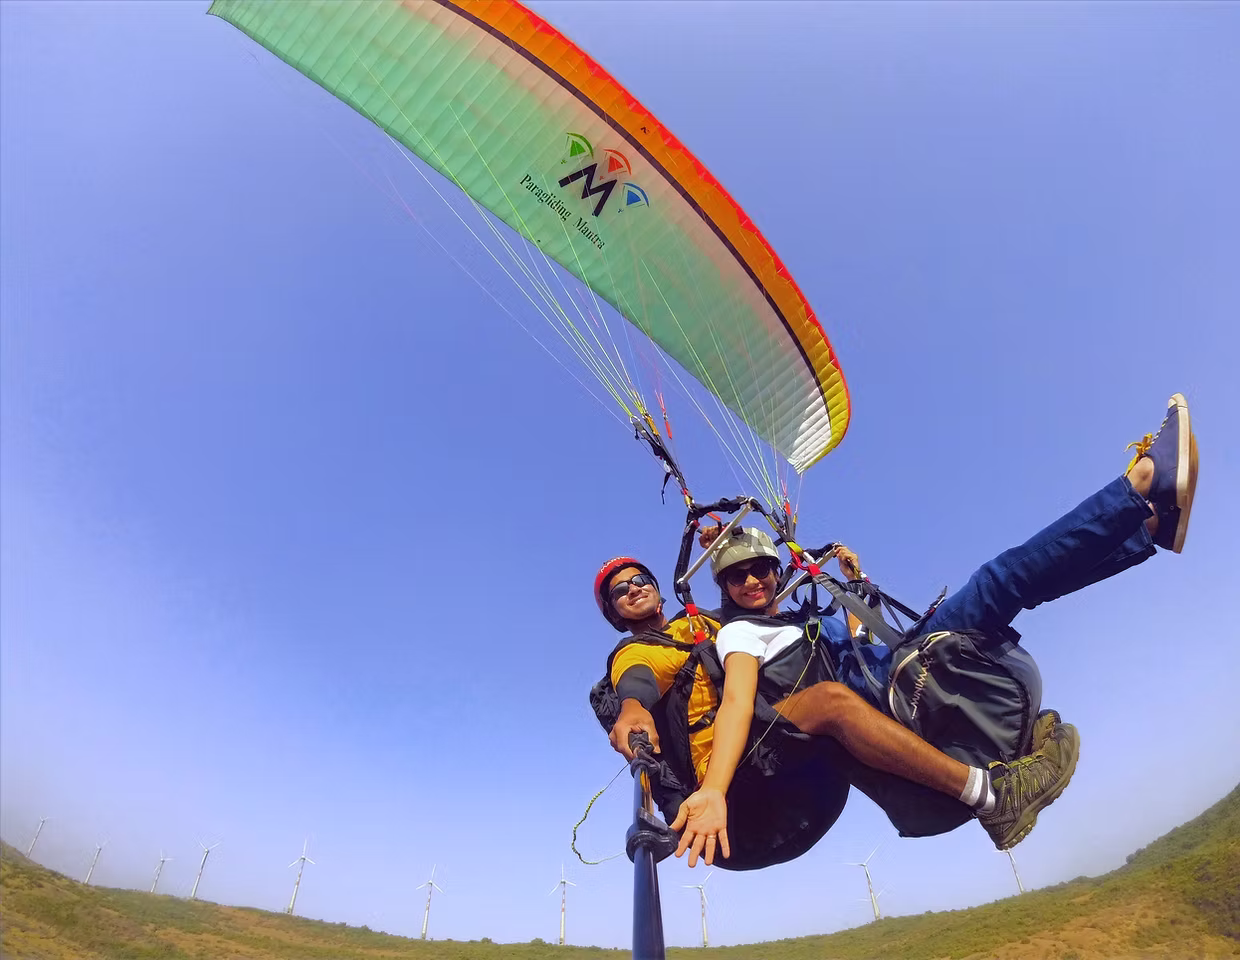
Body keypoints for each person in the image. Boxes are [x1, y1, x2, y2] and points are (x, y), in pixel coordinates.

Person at [670, 393, 1198, 866]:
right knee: (998, 579)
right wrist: (716, 789)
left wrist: (855, 580)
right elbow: (739, 700)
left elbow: (854, 640)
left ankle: (1149, 527)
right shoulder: (738, 634)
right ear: (725, 589)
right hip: (880, 701)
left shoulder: (800, 623)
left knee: (1003, 583)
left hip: (893, 667)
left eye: (760, 569)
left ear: (776, 570)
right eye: (737, 577)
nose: (752, 582)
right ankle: (1143, 484)